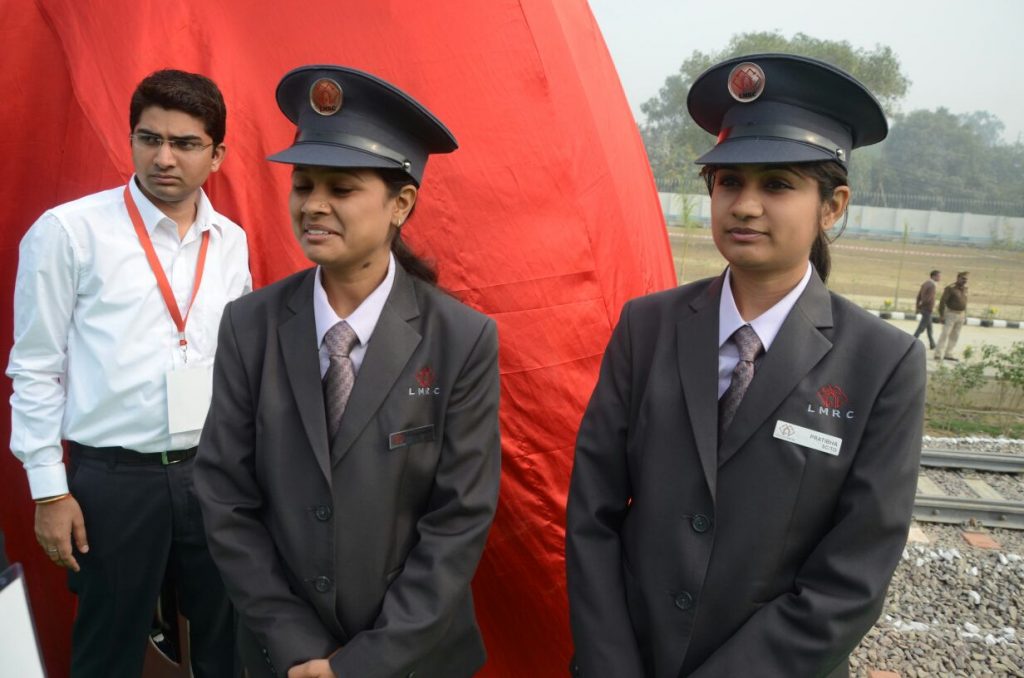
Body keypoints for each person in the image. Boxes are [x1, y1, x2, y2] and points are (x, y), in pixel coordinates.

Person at [566, 54, 925, 678]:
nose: (745, 205)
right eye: (728, 181)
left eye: (777, 184)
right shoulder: (646, 328)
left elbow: (852, 575)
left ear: (832, 205)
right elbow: (591, 514)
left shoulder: (883, 364)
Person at [194, 65, 501, 678]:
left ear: (401, 204)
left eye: (341, 188)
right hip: (278, 656)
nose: (314, 205)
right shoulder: (249, 327)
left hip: (413, 658)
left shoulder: (461, 338)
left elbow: (458, 518)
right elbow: (226, 497)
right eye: (304, 185)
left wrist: (362, 664)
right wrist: (299, 648)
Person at [6, 69, 251, 677]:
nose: (164, 157)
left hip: (211, 473)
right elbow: (34, 368)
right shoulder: (69, 233)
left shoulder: (231, 242)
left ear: (217, 154)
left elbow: (240, 361)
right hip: (112, 481)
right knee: (108, 649)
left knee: (229, 639)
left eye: (186, 143)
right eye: (149, 138)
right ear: (133, 139)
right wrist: (49, 489)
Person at [935, 271, 969, 361]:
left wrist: (965, 315)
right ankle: (938, 353)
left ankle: (948, 354)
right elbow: (942, 302)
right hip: (951, 314)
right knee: (945, 334)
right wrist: (941, 315)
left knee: (955, 335)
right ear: (958, 278)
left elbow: (965, 302)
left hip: (961, 314)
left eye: (966, 279)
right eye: (963, 278)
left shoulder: (965, 289)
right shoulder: (950, 288)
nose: (965, 281)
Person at [913, 269, 941, 349]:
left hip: (925, 309)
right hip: (927, 309)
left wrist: (918, 307)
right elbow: (927, 299)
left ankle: (932, 344)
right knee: (921, 328)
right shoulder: (932, 285)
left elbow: (918, 296)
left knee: (929, 328)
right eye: (938, 276)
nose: (940, 278)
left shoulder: (925, 283)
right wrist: (921, 306)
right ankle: (912, 341)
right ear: (934, 276)